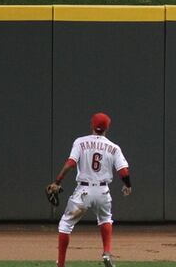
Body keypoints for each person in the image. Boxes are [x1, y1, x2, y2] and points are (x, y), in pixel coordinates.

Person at [47, 112, 132, 267]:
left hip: (83, 192)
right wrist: (128, 185)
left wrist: (57, 181)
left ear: (92, 125)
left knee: (65, 225)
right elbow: (124, 172)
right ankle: (106, 252)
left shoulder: (80, 142)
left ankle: (61, 264)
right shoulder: (114, 147)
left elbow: (71, 163)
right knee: (105, 219)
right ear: (107, 128)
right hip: (103, 192)